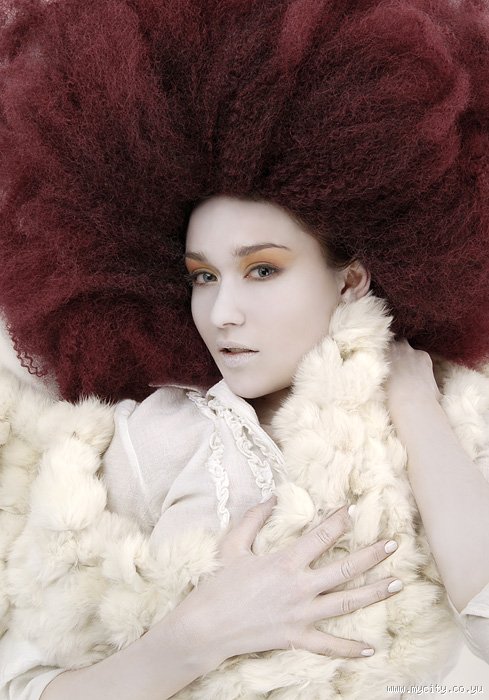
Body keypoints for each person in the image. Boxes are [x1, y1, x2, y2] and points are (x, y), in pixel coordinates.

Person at [1, 0, 489, 698]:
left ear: (350, 279)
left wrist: (413, 401)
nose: (222, 312)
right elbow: (24, 684)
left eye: (262, 269)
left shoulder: (454, 413)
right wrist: (196, 637)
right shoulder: (151, 438)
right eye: (202, 276)